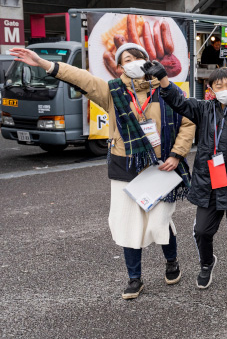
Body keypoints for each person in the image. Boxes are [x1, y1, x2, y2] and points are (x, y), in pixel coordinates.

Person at [10, 44, 195, 300]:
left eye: (136, 58)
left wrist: (176, 154)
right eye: (125, 59)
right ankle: (134, 278)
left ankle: (172, 262)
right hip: (125, 164)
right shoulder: (112, 92)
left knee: (159, 222)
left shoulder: (166, 90)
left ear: (147, 60)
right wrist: (44, 64)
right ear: (119, 67)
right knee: (127, 223)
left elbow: (187, 121)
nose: (131, 62)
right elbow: (81, 78)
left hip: (163, 165)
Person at [145, 59, 227, 305]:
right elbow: (177, 101)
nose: (223, 88)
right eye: (218, 85)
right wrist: (163, 79)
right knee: (201, 230)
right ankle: (207, 262)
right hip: (208, 179)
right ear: (210, 88)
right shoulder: (203, 108)